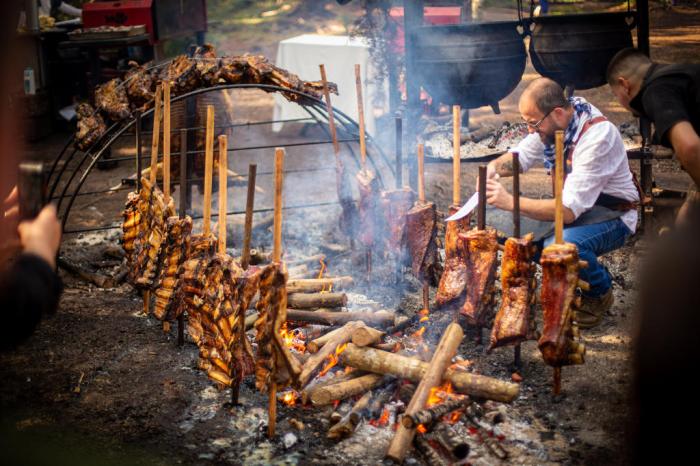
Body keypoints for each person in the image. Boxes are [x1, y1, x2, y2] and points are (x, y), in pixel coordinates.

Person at [482, 78, 639, 328]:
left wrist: (510, 201)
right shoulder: (555, 122)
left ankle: (599, 291)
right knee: (503, 229)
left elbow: (566, 211)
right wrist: (492, 169)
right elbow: (520, 158)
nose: (531, 130)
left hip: (613, 215)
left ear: (556, 112)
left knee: (557, 244)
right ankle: (557, 281)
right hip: (576, 208)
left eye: (533, 124)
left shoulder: (598, 137)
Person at [606, 47, 700, 223]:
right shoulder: (679, 75)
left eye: (615, 95)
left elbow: (689, 148)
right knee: (686, 220)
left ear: (624, 85)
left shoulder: (655, 91)